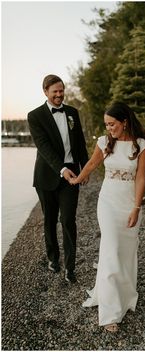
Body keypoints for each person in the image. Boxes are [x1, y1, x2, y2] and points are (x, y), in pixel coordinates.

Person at [70, 101, 145, 332]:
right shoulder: (105, 142)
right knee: (111, 247)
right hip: (107, 201)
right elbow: (93, 163)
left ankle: (123, 295)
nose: (109, 128)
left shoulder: (141, 145)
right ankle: (110, 312)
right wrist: (77, 179)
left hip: (129, 203)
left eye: (112, 124)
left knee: (125, 251)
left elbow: (141, 178)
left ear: (124, 122)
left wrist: (136, 208)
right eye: (106, 124)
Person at [28, 74, 89, 283]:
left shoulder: (72, 113)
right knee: (50, 219)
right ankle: (53, 258)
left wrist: (85, 169)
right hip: (47, 175)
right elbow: (43, 147)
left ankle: (70, 267)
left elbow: (80, 143)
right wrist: (61, 169)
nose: (59, 95)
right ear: (45, 91)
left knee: (68, 219)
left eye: (61, 91)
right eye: (54, 91)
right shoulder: (35, 116)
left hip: (72, 175)